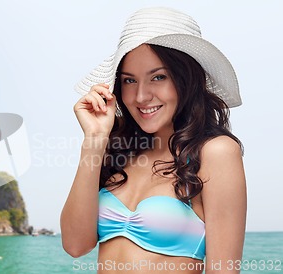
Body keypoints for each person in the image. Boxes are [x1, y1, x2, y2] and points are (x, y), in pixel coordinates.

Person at [60, 7, 246, 274]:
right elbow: (75, 245)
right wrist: (94, 139)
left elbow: (224, 269)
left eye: (158, 77)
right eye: (129, 80)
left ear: (186, 79)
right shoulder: (118, 151)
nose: (141, 96)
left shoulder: (215, 153)